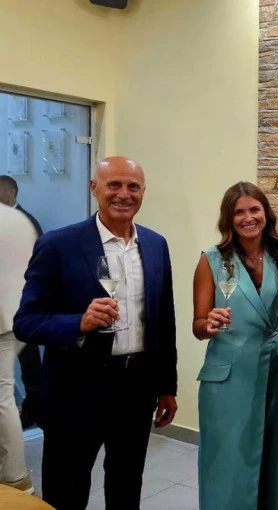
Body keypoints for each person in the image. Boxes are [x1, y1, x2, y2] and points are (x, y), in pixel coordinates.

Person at [13, 157, 178, 510]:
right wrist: (79, 323)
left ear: (143, 192)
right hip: (76, 390)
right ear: (94, 188)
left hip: (136, 390)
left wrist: (166, 387)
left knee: (126, 486)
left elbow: (164, 321)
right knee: (66, 491)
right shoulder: (58, 244)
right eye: (114, 184)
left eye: (133, 186)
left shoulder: (155, 244)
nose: (124, 194)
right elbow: (26, 321)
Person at [193, 182, 278, 510]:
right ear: (228, 219)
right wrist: (208, 324)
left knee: (271, 457)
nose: (248, 217)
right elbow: (198, 326)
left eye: (254, 209)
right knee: (227, 460)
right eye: (239, 212)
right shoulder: (211, 260)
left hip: (274, 370)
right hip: (228, 378)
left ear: (266, 213)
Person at [0, 175, 43, 430]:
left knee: (29, 362)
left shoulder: (26, 222)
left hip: (24, 305)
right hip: (8, 304)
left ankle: (33, 410)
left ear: (9, 194)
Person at [0, 203, 36, 494]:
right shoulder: (18, 218)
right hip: (18, 317)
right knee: (4, 394)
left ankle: (15, 476)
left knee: (2, 397)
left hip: (3, 323)